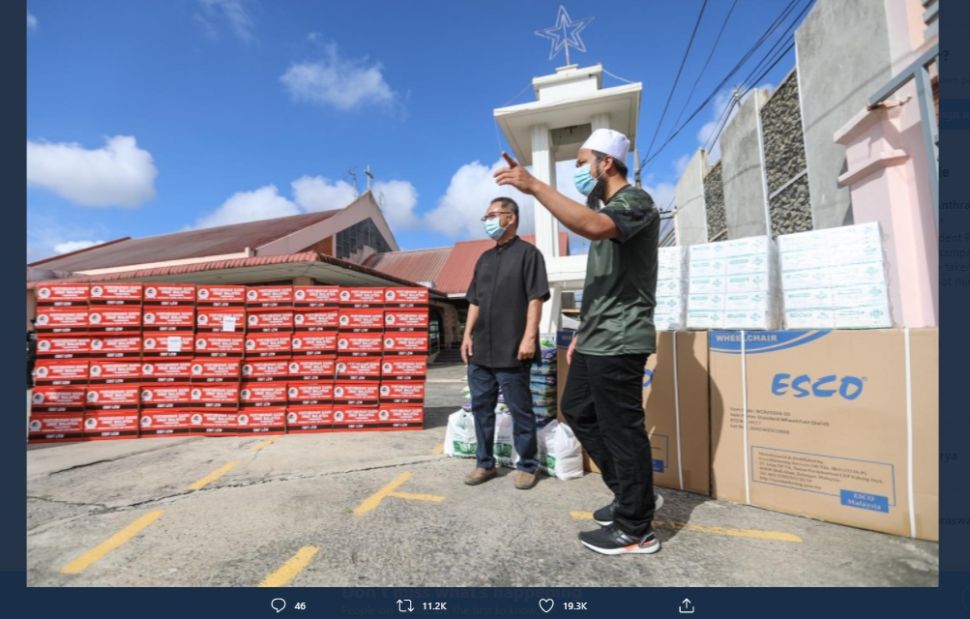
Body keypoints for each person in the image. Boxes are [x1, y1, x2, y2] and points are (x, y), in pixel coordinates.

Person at [494, 128, 661, 555]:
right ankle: (632, 495)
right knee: (578, 411)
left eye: (583, 161)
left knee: (623, 430)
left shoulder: (634, 203)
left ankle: (635, 529)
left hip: (621, 337)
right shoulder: (608, 210)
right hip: (596, 337)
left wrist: (533, 185)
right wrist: (582, 330)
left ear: (607, 162)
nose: (579, 171)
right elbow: (603, 283)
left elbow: (592, 225)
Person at [461, 197, 550, 490]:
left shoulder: (529, 254)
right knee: (481, 409)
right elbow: (474, 300)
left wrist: (529, 337)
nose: (487, 220)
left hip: (513, 349)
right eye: (485, 216)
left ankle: (527, 464)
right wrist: (466, 335)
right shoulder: (484, 259)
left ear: (510, 218)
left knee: (520, 409)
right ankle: (484, 464)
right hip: (480, 351)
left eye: (492, 215)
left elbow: (535, 298)